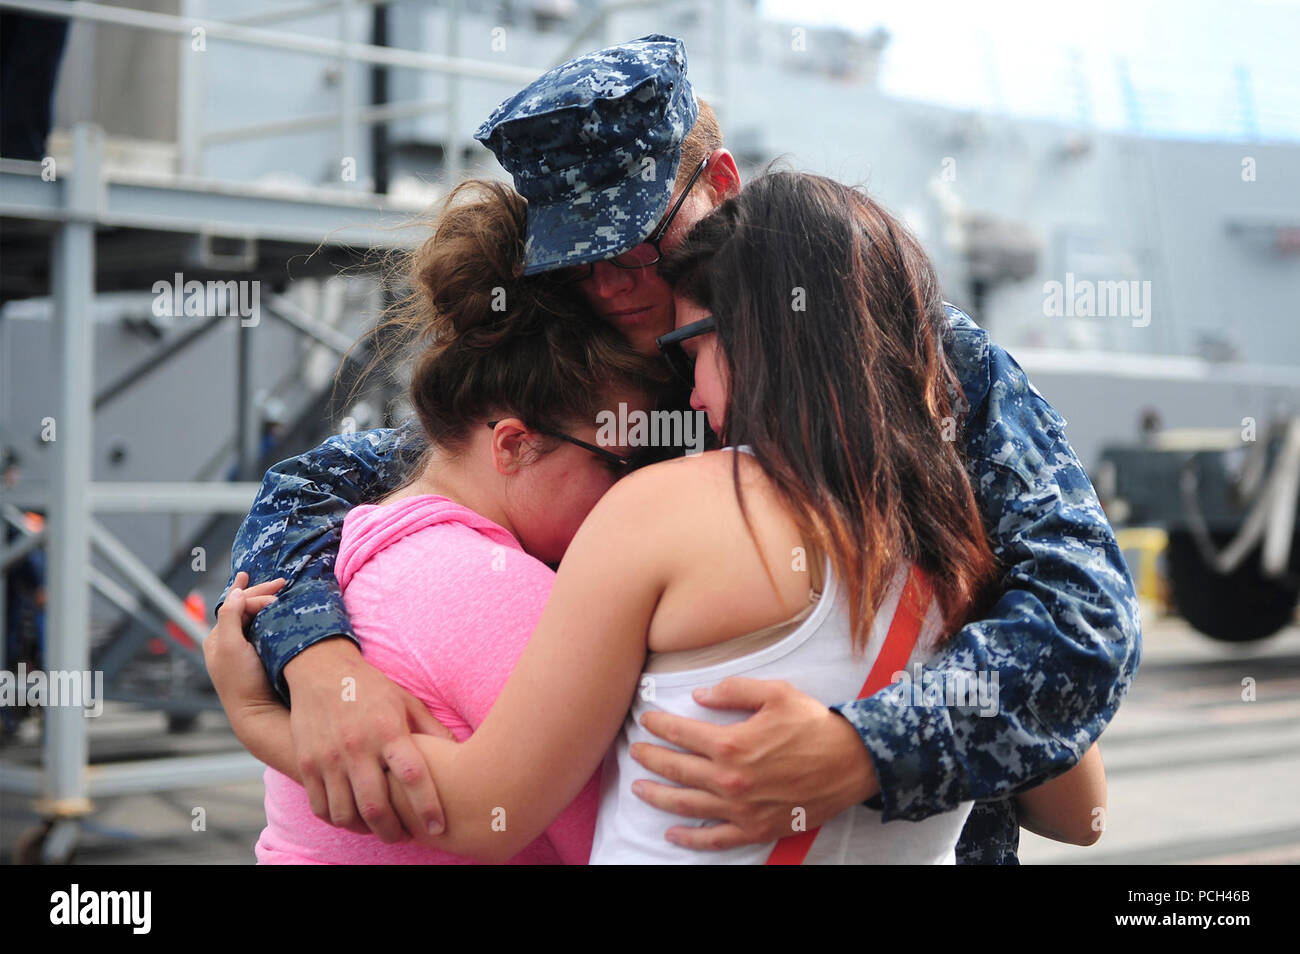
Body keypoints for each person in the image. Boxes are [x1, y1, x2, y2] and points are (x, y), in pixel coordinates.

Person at [215, 35, 1139, 864]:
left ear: (721, 183)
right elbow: (327, 485)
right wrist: (321, 663)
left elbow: (1085, 624)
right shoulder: (609, 357)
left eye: (636, 248)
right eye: (577, 260)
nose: (611, 288)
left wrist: (862, 751)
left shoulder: (912, 349)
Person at [209, 178, 669, 863]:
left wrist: (262, 718)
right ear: (514, 443)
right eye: (621, 464)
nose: (636, 493)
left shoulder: (358, 539)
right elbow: (622, 839)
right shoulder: (499, 590)